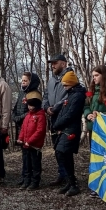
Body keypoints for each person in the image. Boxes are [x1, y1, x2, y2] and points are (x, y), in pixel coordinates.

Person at [51, 71, 86, 197]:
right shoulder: (71, 94)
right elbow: (64, 111)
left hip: (71, 129)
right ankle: (70, 181)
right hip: (66, 128)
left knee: (63, 152)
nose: (64, 87)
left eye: (66, 85)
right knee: (61, 153)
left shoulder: (77, 96)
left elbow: (71, 114)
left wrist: (57, 124)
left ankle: (73, 184)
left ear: (71, 84)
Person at [44, 54, 74, 186]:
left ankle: (70, 178)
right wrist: (46, 107)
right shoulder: (51, 80)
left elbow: (69, 97)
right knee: (57, 149)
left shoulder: (70, 78)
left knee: (64, 150)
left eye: (55, 63)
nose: (52, 65)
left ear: (63, 63)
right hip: (53, 118)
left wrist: (55, 107)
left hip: (64, 118)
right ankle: (62, 174)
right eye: (52, 63)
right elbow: (45, 95)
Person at [11, 72, 41, 186]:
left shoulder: (35, 94)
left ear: (31, 82)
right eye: (22, 80)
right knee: (24, 155)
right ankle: (25, 176)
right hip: (21, 128)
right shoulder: (21, 93)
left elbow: (33, 111)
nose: (22, 82)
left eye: (25, 81)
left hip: (31, 128)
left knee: (32, 155)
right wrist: (14, 117)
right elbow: (15, 108)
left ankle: (33, 179)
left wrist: (19, 118)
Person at [16, 91, 47, 190]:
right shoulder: (27, 116)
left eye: (31, 106)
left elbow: (40, 131)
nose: (29, 107)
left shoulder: (40, 116)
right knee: (26, 164)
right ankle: (26, 180)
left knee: (35, 165)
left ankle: (35, 182)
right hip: (25, 145)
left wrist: (30, 141)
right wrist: (20, 138)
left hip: (34, 145)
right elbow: (23, 128)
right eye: (29, 105)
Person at [83, 65, 106, 134]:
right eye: (93, 76)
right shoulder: (92, 90)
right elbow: (86, 106)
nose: (94, 78)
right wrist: (88, 114)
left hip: (104, 127)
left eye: (96, 75)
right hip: (92, 127)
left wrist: (99, 115)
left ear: (104, 76)